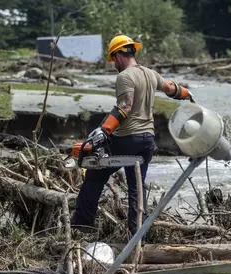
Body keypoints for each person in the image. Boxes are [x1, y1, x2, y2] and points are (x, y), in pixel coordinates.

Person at [70, 34, 194, 237]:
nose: (114, 65)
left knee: (94, 174)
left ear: (118, 55)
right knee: (137, 187)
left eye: (113, 60)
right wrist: (185, 93)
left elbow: (125, 106)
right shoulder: (150, 74)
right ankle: (138, 238)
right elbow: (170, 88)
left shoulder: (125, 76)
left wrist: (104, 131)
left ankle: (82, 227)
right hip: (147, 141)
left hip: (126, 138)